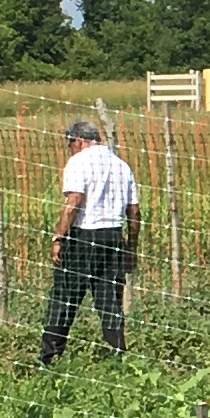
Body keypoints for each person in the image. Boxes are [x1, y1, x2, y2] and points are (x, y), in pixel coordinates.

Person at [40, 114, 143, 362]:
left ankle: (49, 358)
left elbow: (74, 202)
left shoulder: (78, 163)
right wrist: (131, 247)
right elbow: (135, 212)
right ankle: (118, 355)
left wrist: (58, 238)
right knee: (109, 302)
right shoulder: (122, 165)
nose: (70, 149)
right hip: (113, 237)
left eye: (70, 144)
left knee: (64, 298)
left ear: (78, 140)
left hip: (83, 236)